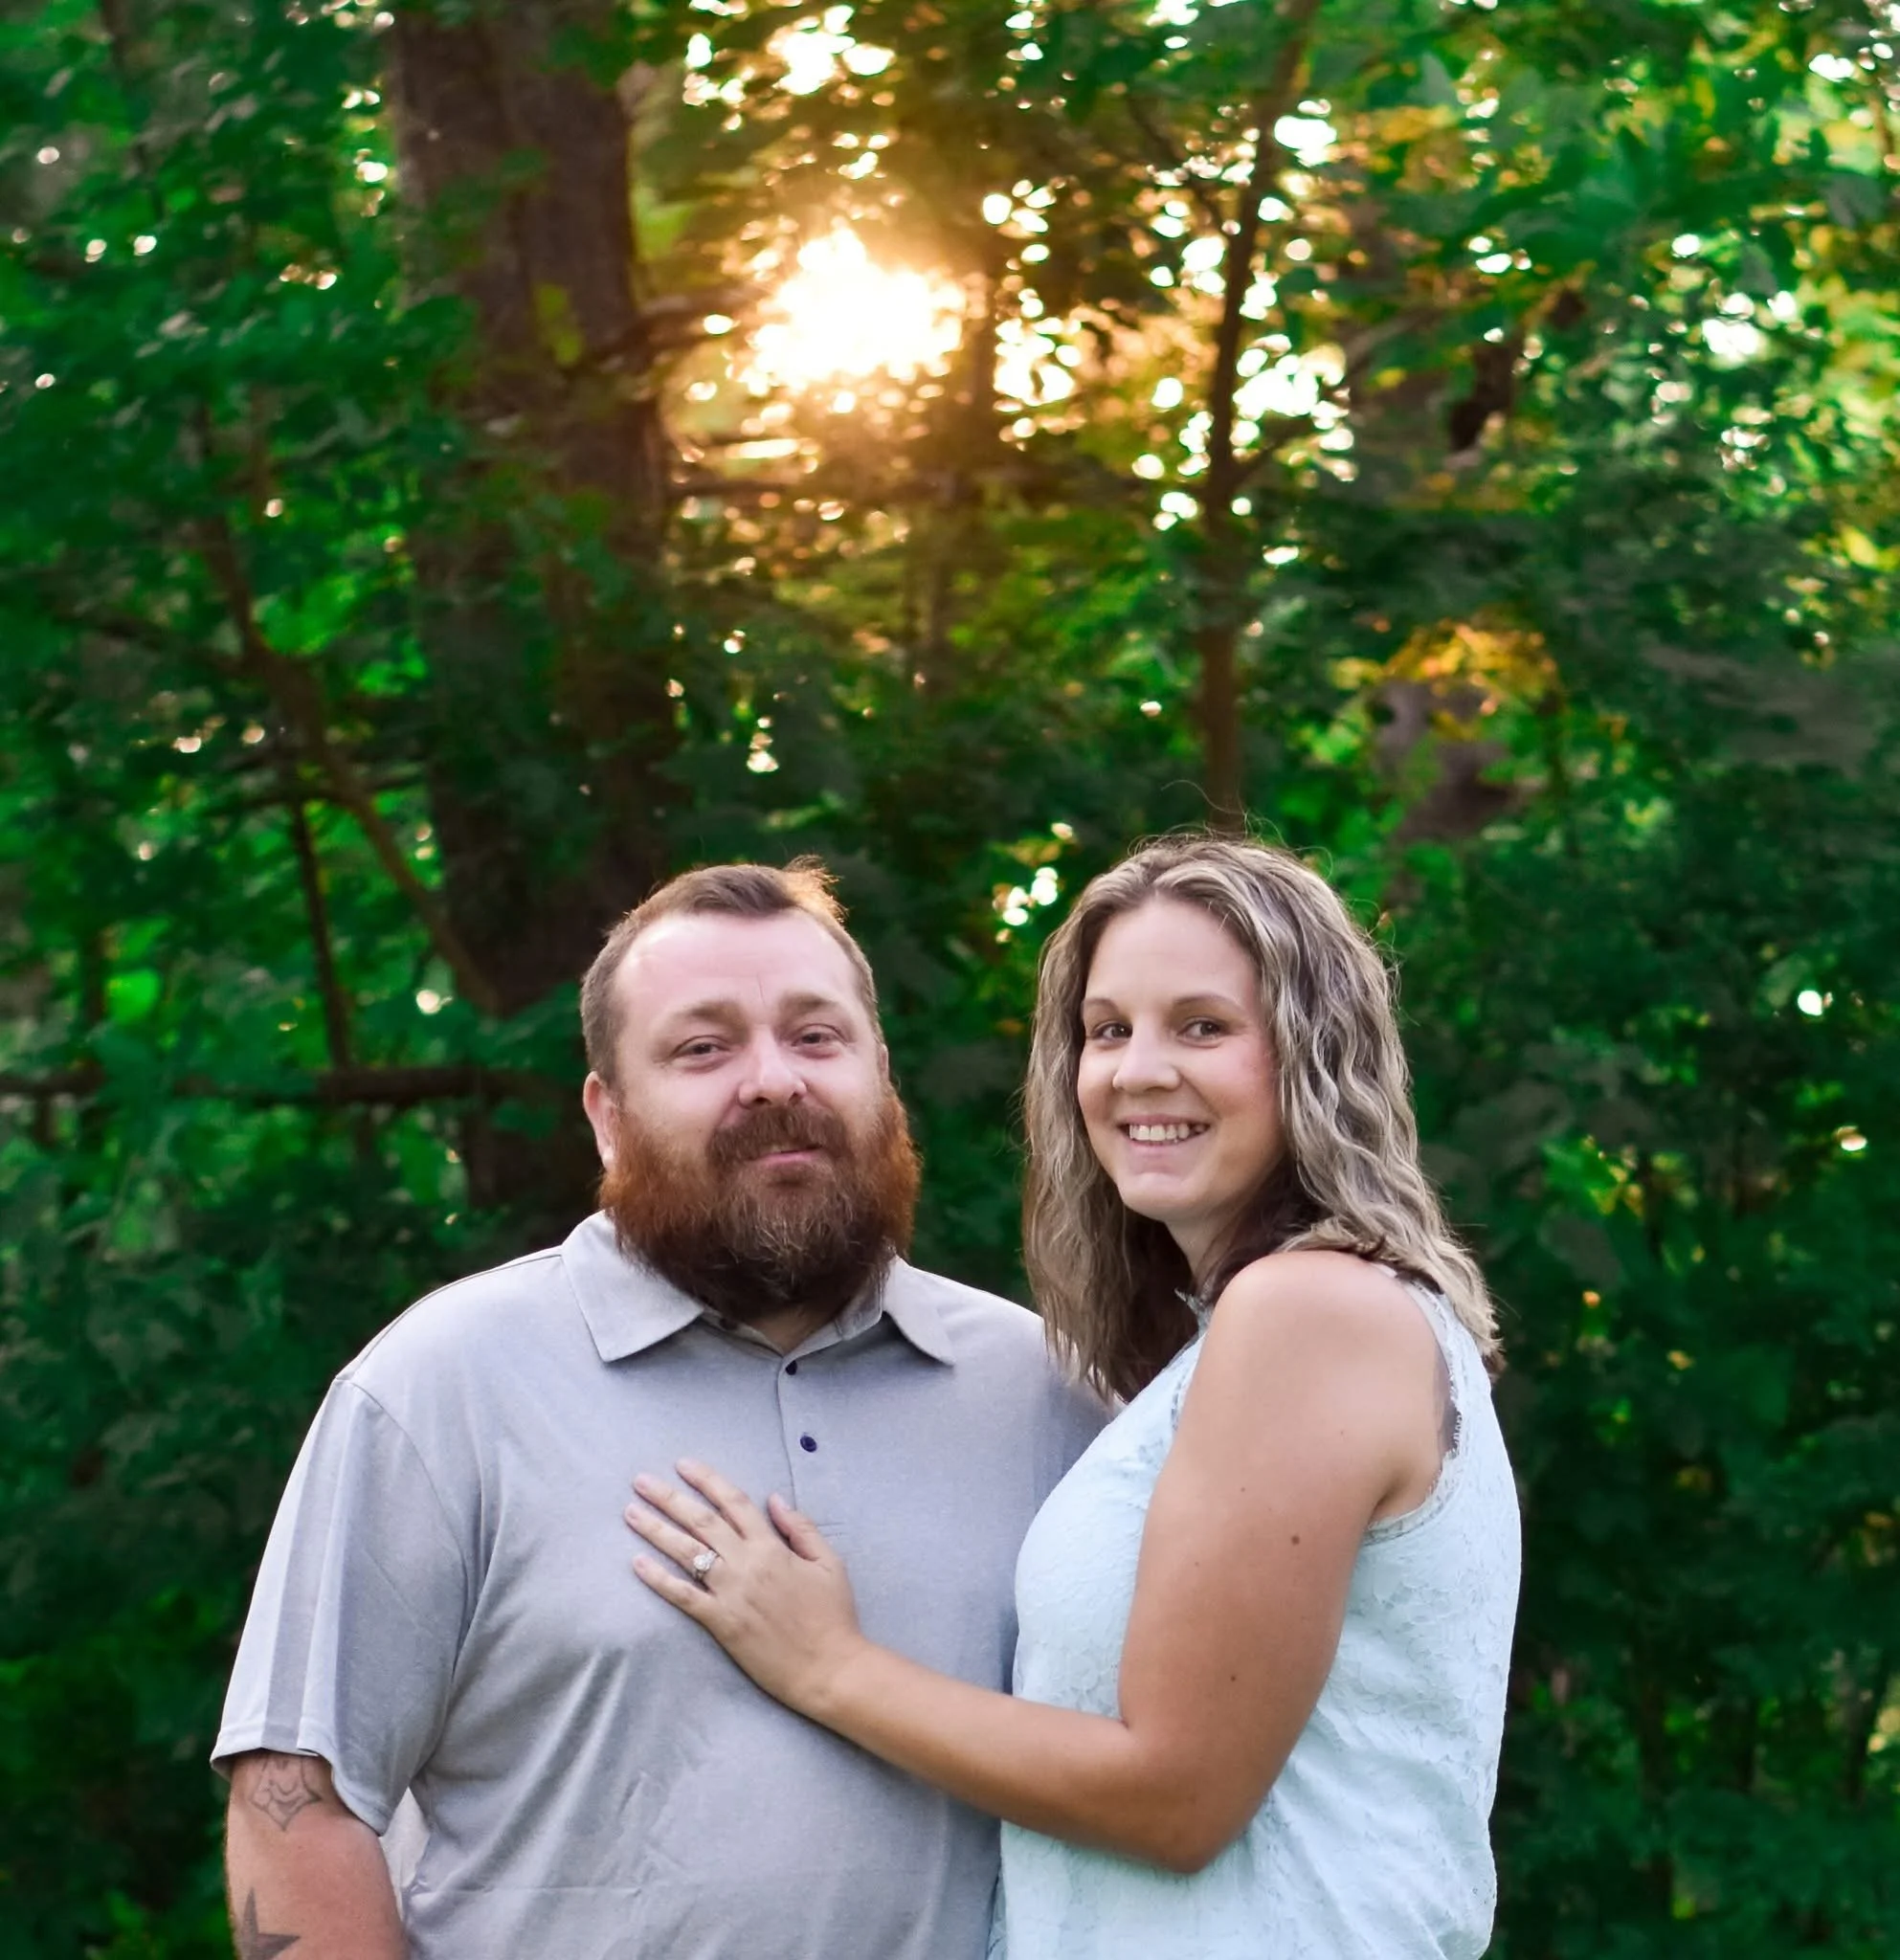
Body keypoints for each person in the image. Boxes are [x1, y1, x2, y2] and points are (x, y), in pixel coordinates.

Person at [628, 836, 1523, 1959]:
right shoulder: (1237, 1339)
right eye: (1107, 1029)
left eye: (1202, 1025)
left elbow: (1177, 1796)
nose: (1138, 1070)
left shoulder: (1308, 1312)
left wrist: (828, 1665)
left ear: (1311, 1051)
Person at [213, 861, 1106, 1960]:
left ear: (883, 1073)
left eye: (816, 1037)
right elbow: (295, 1806)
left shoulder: (1048, 1393)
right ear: (607, 1114)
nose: (773, 1079)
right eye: (703, 1046)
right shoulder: (441, 1386)